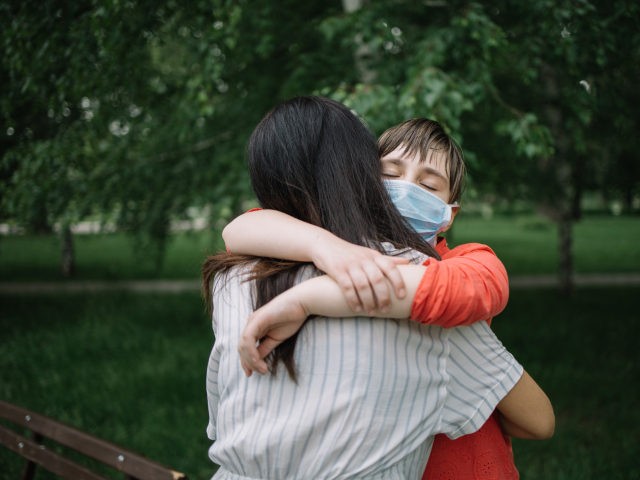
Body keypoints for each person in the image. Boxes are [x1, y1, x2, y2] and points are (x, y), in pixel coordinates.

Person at [203, 96, 553, 479]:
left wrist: (308, 299)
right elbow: (240, 228)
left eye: (428, 184)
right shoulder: (331, 250)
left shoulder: (462, 262)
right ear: (366, 181)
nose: (406, 189)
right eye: (391, 173)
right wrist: (329, 249)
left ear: (449, 215)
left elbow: (461, 287)